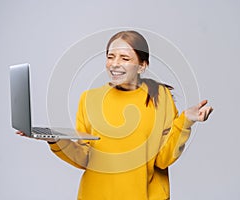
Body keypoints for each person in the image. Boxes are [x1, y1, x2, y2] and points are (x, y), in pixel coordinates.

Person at [17, 30, 213, 200]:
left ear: (142, 65)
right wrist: (57, 140)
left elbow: (163, 160)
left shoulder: (160, 97)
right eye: (110, 57)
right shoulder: (89, 99)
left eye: (125, 58)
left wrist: (185, 121)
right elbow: (85, 159)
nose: (114, 64)